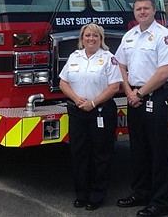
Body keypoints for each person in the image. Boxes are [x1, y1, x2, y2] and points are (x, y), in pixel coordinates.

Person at [115, 0, 168, 217]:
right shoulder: (129, 36)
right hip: (135, 97)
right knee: (138, 149)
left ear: (154, 10)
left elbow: (164, 72)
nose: (142, 12)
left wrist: (139, 92)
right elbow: (120, 65)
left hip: (156, 97)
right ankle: (140, 192)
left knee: (158, 151)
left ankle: (159, 202)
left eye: (146, 8)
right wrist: (130, 91)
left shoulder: (164, 36)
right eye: (138, 9)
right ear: (134, 12)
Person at [59, 23, 122, 211]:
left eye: (95, 36)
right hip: (78, 111)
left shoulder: (109, 59)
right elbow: (63, 82)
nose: (91, 39)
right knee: (79, 154)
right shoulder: (74, 57)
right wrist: (77, 99)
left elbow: (114, 87)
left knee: (100, 155)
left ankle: (97, 195)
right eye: (87, 36)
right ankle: (81, 194)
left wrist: (93, 103)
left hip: (100, 111)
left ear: (101, 39)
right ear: (82, 38)